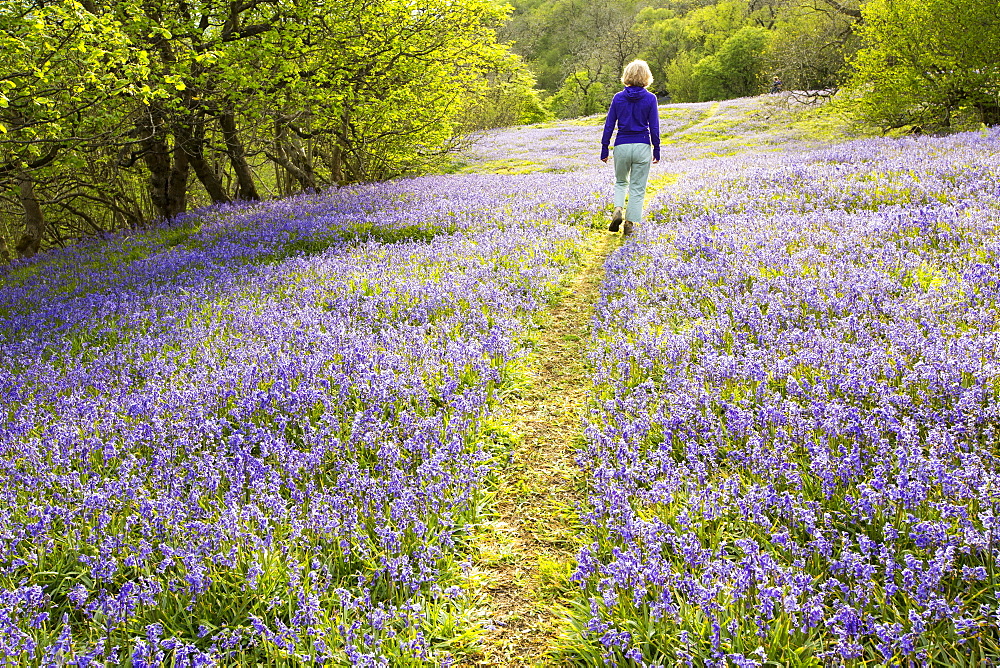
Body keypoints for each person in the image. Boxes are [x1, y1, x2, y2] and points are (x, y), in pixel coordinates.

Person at [601, 59, 660, 237]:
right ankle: (629, 222)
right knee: (637, 186)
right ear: (646, 77)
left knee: (620, 182)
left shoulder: (618, 98)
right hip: (642, 145)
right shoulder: (651, 98)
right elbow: (655, 127)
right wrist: (656, 148)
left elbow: (609, 124)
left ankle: (618, 209)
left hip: (622, 145)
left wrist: (605, 147)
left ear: (627, 75)